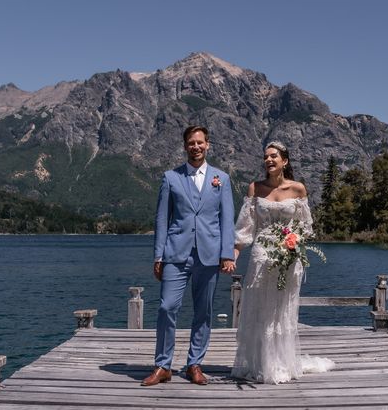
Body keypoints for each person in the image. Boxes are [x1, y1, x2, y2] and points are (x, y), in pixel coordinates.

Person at [231, 141, 335, 384]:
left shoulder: (298, 189)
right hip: (261, 255)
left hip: (288, 257)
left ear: (284, 161)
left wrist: (293, 241)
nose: (269, 160)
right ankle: (259, 363)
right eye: (266, 157)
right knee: (259, 309)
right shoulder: (255, 188)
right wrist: (234, 254)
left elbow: (306, 228)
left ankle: (280, 363)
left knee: (282, 310)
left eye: (274, 156)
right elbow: (245, 229)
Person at [142, 125, 236, 387]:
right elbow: (162, 219)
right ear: (185, 146)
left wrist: (227, 254)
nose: (196, 147)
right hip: (175, 253)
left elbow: (227, 220)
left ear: (208, 145)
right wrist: (158, 256)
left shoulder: (222, 179)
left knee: (203, 312)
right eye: (191, 143)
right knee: (166, 307)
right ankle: (163, 365)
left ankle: (195, 363)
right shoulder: (170, 178)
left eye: (200, 142)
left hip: (209, 254)